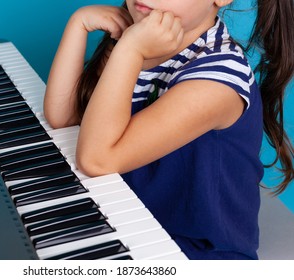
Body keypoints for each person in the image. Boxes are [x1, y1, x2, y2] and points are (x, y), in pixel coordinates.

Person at [43, 0, 294, 259]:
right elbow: (65, 116)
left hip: (194, 250)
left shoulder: (219, 78)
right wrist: (79, 24)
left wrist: (130, 49)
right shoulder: (138, 36)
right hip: (128, 219)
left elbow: (97, 159)